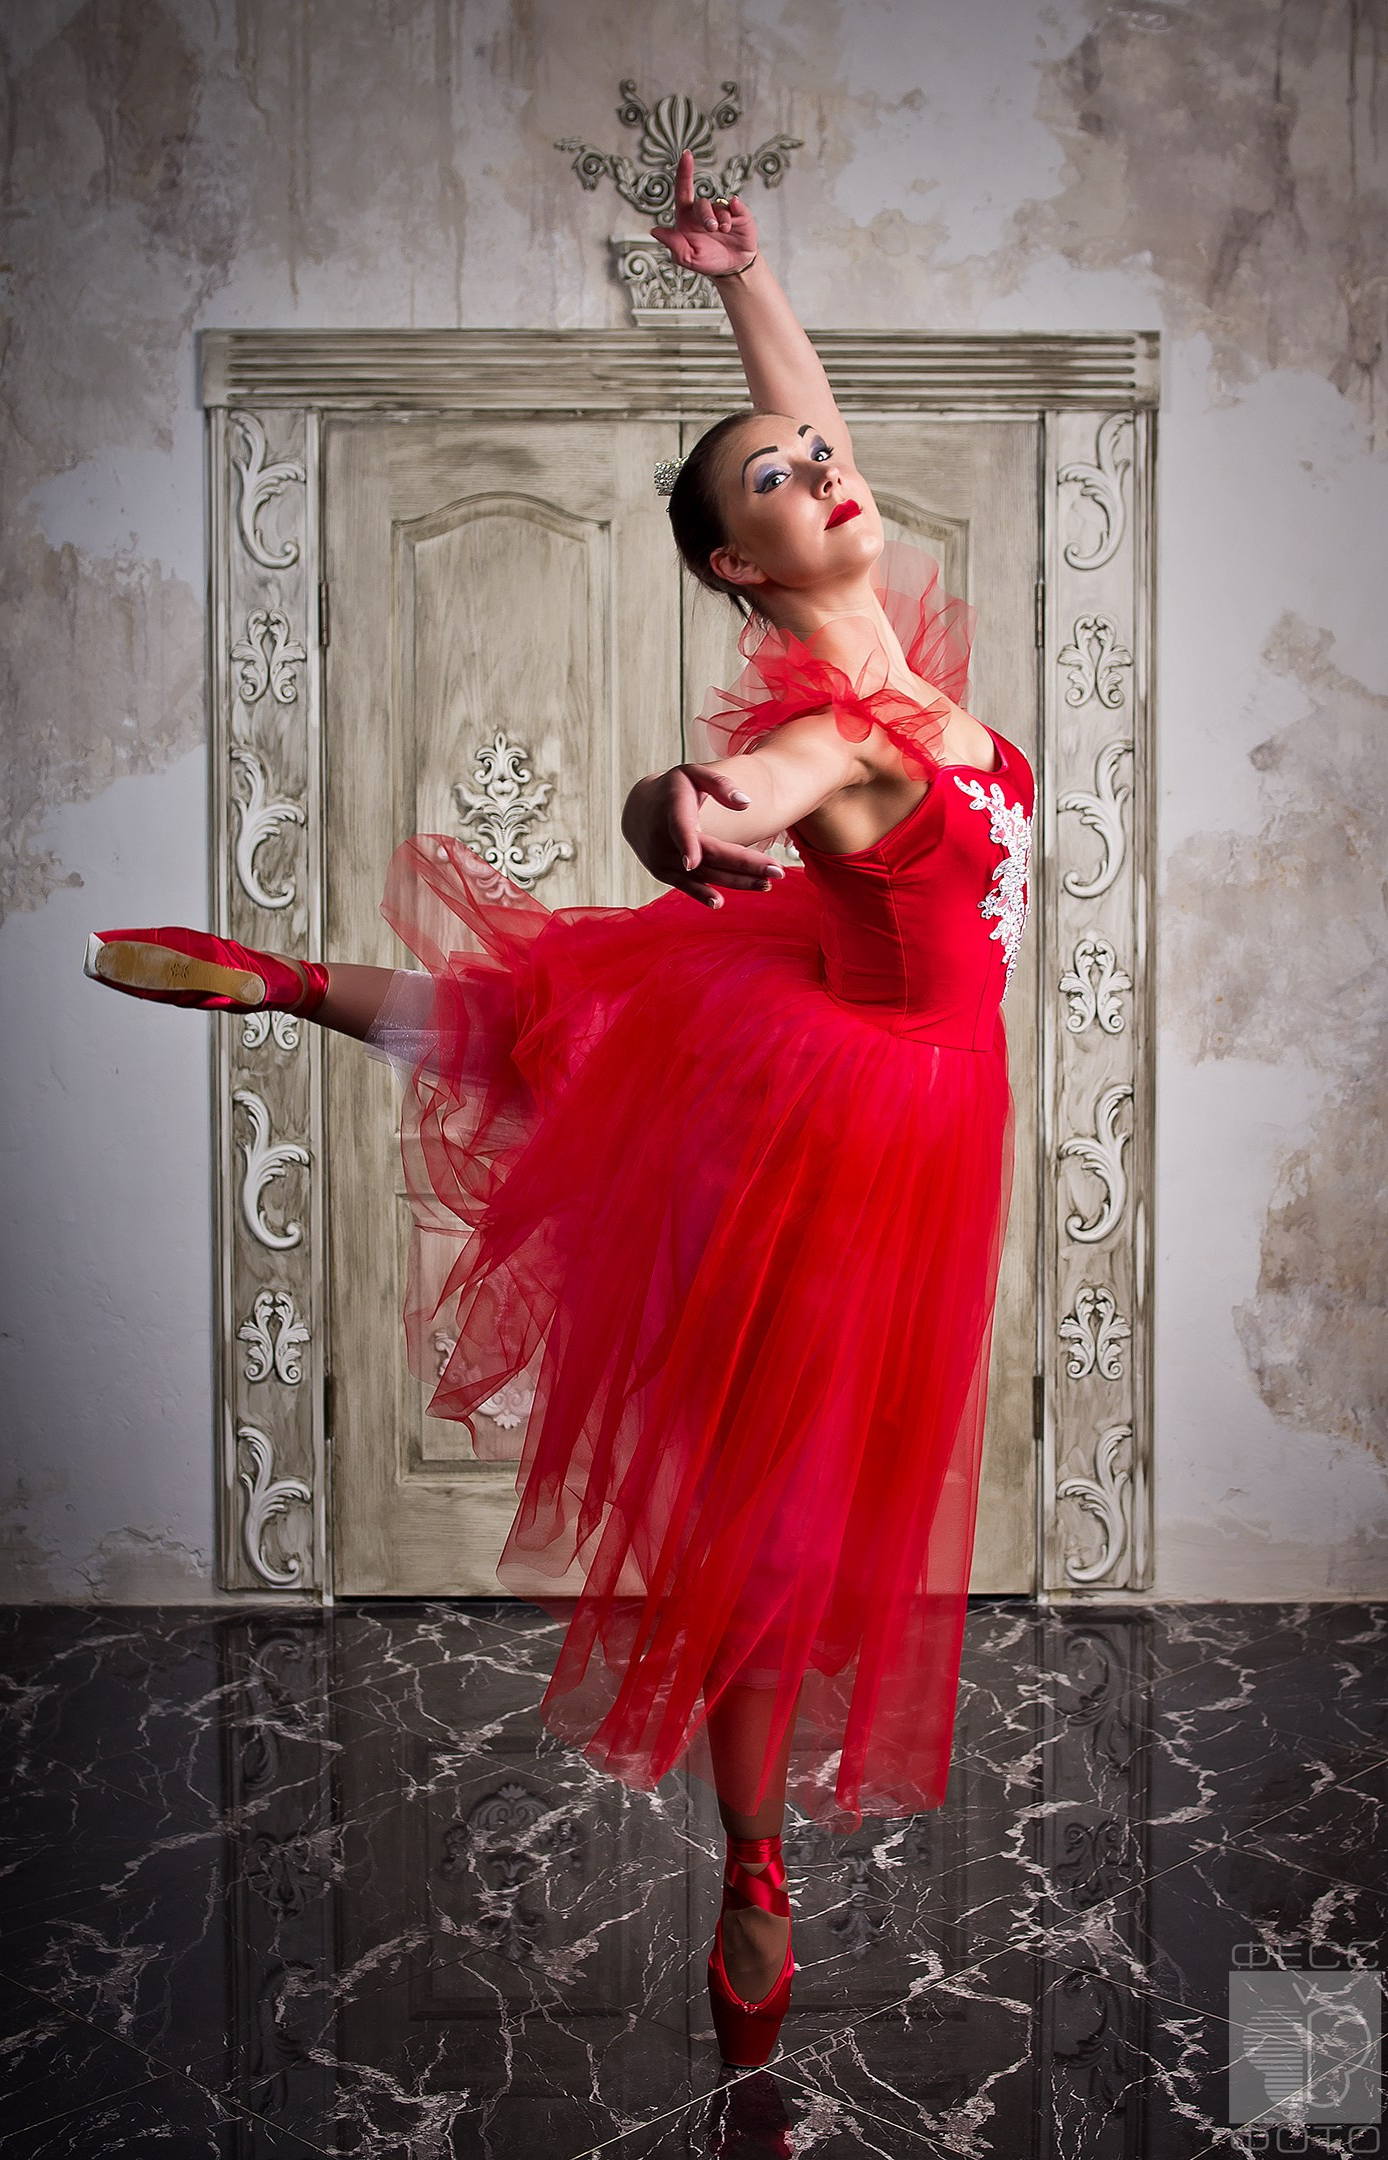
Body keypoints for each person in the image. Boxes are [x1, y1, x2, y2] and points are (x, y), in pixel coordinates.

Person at [82, 150, 1034, 2069]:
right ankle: (754, 1870)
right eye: (772, 484)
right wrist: (680, 823)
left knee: (562, 1035)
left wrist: (741, 277)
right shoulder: (826, 737)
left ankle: (284, 982)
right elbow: (719, 804)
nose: (818, 470)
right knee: (774, 1518)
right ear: (735, 567)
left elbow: (810, 411)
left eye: (815, 459)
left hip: (875, 1051)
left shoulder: (886, 660)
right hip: (859, 1124)